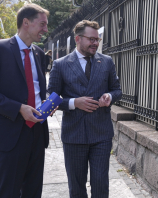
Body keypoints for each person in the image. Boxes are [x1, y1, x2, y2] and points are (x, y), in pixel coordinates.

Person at [0, 3, 50, 198]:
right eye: (42, 24)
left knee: (33, 191)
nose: (46, 30)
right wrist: (18, 108)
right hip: (10, 133)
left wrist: (47, 102)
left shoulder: (39, 54)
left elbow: (35, 89)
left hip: (37, 132)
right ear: (26, 22)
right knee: (8, 191)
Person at [48, 20, 122, 198]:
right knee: (76, 186)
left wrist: (109, 97)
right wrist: (74, 102)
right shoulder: (61, 64)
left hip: (101, 134)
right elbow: (51, 99)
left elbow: (117, 90)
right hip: (74, 135)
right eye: (91, 39)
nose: (96, 43)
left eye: (97, 39)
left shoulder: (106, 62)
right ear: (78, 39)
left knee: (100, 184)